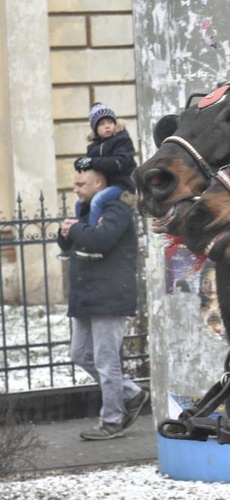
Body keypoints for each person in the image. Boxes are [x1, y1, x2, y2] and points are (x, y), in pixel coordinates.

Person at [58, 168, 149, 440]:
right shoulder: (86, 209)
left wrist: (74, 229)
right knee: (80, 355)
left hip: (109, 296)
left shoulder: (117, 208)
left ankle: (112, 420)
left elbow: (100, 240)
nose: (75, 189)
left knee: (106, 361)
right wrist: (65, 233)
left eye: (80, 184)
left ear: (99, 182)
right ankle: (132, 394)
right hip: (85, 295)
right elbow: (72, 246)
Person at [73, 102, 137, 226]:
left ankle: (93, 234)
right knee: (78, 204)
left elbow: (118, 162)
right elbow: (89, 167)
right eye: (102, 124)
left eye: (110, 122)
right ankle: (80, 232)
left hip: (121, 185)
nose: (107, 126)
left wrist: (91, 162)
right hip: (102, 186)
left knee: (97, 201)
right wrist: (80, 163)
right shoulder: (93, 147)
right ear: (95, 129)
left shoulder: (122, 140)